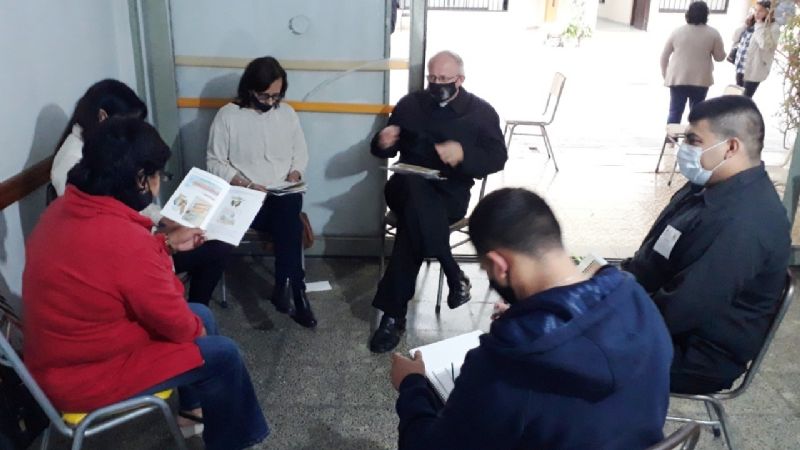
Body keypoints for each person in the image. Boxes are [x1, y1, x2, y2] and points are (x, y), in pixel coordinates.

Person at [24, 118, 268, 450]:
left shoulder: (64, 209)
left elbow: (113, 271)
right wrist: (193, 326)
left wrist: (165, 244)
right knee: (223, 355)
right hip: (84, 376)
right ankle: (234, 442)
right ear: (140, 179)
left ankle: (191, 413)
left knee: (202, 314)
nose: (157, 184)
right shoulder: (123, 238)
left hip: (61, 357)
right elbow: (175, 320)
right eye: (157, 176)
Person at [390, 188, 673, 450]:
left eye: (486, 268)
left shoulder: (506, 364)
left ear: (500, 266)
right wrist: (530, 318)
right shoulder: (635, 299)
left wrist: (411, 385)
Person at [622, 96, 791, 394]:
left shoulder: (742, 222)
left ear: (731, 147)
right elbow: (654, 256)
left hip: (694, 355)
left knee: (562, 351)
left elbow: (680, 310)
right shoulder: (705, 187)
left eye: (693, 140)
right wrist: (608, 283)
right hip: (662, 321)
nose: (683, 149)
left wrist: (608, 316)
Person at [369, 50, 507, 353]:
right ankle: (452, 271)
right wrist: (383, 141)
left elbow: (498, 157)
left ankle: (393, 316)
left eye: (444, 78)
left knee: (412, 227)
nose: (436, 83)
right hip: (403, 187)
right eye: (432, 77)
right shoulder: (410, 104)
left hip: (449, 193)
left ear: (460, 79)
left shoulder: (481, 112)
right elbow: (383, 151)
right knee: (413, 187)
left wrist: (464, 155)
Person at [50, 79, 232, 306]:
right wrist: (164, 239)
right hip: (120, 255)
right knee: (212, 248)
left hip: (133, 240)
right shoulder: (73, 162)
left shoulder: (104, 150)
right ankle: (194, 309)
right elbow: (104, 233)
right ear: (103, 117)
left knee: (213, 240)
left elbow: (128, 199)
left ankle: (195, 307)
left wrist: (163, 219)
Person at [207, 56, 316, 328]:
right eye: (264, 96)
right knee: (290, 224)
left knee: (287, 209)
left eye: (276, 96)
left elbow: (300, 153)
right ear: (250, 89)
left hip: (284, 192)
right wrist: (245, 184)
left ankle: (290, 288)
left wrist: (295, 174)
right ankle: (293, 290)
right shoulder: (228, 115)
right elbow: (215, 162)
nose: (270, 102)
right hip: (246, 195)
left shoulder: (287, 113)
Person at [660, 1, 726, 124]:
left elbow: (664, 56)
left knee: (675, 112)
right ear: (706, 15)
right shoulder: (713, 33)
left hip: (678, 79)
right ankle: (693, 135)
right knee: (697, 113)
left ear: (688, 14)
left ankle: (671, 135)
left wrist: (666, 75)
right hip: (701, 80)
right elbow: (719, 57)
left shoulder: (677, 32)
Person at [732, 1, 781, 98]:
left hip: (755, 69)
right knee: (738, 96)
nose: (757, 13)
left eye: (761, 11)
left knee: (745, 98)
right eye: (755, 10)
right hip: (741, 65)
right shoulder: (751, 23)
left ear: (768, 12)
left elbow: (765, 45)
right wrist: (745, 23)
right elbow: (734, 38)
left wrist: (759, 25)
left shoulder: (773, 27)